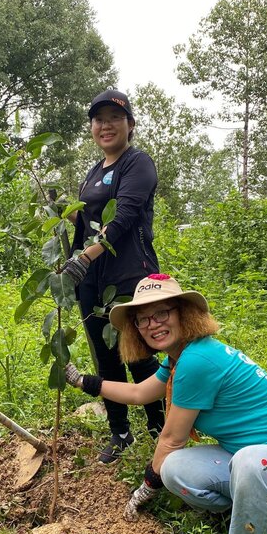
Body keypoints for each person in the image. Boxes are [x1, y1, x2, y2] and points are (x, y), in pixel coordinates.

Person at [64, 274, 267, 534]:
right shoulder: (181, 358)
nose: (153, 324)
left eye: (162, 313)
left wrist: (147, 486)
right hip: (265, 465)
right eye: (143, 319)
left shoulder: (198, 359)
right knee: (175, 469)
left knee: (250, 460)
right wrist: (83, 381)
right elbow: (139, 392)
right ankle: (256, 508)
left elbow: (172, 439)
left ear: (183, 313)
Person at [60, 89, 164, 463]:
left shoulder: (138, 164)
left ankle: (158, 427)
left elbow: (123, 219)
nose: (105, 125)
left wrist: (86, 256)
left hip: (128, 277)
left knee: (137, 354)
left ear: (130, 126)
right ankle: (120, 433)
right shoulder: (93, 172)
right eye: (98, 119)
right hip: (90, 278)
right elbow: (88, 222)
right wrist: (66, 217)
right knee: (105, 356)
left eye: (114, 118)